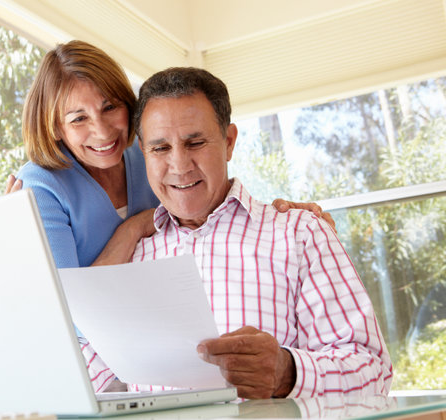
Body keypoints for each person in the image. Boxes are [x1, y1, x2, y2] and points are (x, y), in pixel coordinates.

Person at [85, 67, 393, 398]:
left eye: (196, 142)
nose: (179, 165)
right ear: (143, 150)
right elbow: (86, 377)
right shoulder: (128, 257)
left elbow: (373, 369)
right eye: (160, 148)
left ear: (229, 142)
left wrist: (288, 372)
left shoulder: (300, 234)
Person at [8, 40, 334, 271]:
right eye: (79, 118)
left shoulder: (149, 152)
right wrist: (132, 229)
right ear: (54, 127)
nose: (103, 131)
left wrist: (285, 218)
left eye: (110, 107)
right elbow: (70, 316)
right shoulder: (41, 187)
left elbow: (211, 204)